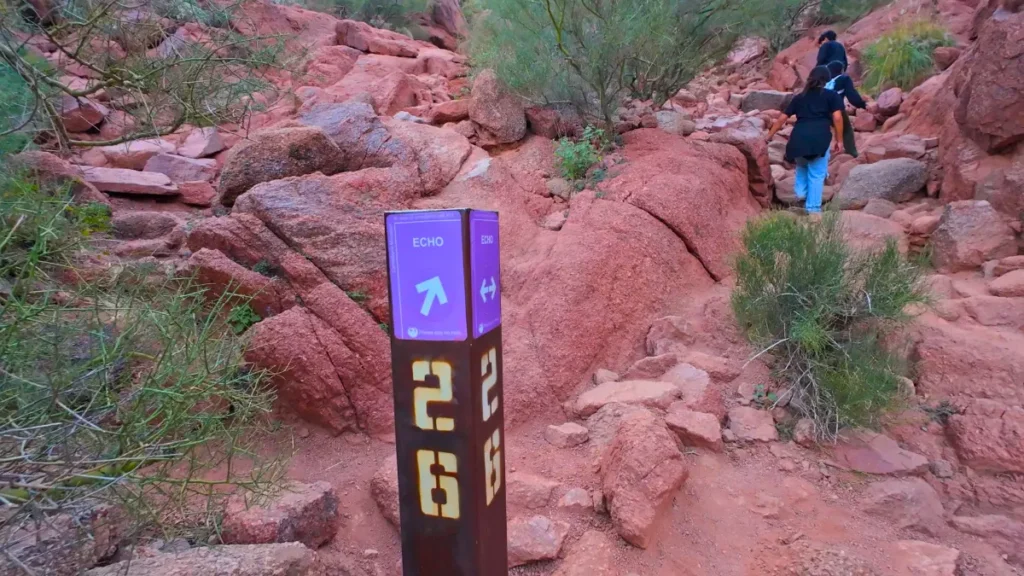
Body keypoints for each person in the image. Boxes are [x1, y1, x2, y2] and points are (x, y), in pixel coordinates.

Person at [766, 66, 844, 214]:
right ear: (827, 80)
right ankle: (813, 210)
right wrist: (839, 140)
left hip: (798, 140)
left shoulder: (799, 97)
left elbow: (783, 118)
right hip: (819, 139)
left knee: (802, 167)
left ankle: (801, 196)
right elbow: (838, 117)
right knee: (817, 174)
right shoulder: (832, 96)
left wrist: (769, 136)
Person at [825, 60, 866, 157]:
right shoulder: (844, 79)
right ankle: (852, 152)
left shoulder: (824, 81)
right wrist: (862, 105)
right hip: (836, 110)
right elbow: (852, 96)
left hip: (821, 110)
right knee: (846, 129)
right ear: (841, 70)